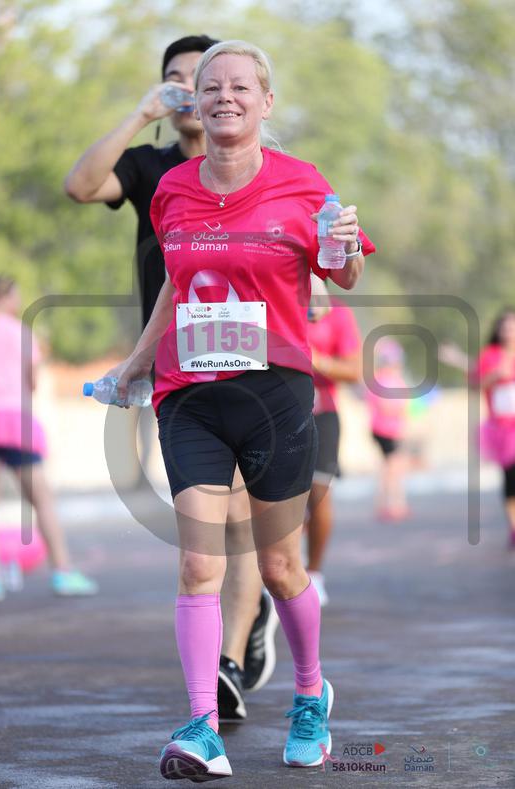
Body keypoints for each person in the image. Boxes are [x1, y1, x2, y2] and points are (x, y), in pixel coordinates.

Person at [109, 40, 375, 781]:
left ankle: (310, 695)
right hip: (189, 395)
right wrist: (137, 362)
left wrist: (346, 248)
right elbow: (175, 282)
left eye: (239, 86)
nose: (224, 96)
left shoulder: (303, 183)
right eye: (210, 86)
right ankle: (201, 726)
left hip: (274, 393)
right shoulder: (172, 190)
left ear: (265, 101)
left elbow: (343, 275)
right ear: (195, 101)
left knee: (281, 565)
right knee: (199, 560)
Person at [64, 34, 278, 721]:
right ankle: (236, 629)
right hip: (173, 363)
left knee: (237, 514)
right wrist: (140, 115)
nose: (193, 89)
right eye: (178, 79)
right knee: (202, 522)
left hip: (247, 356)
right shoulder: (152, 168)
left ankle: (228, 660)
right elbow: (80, 186)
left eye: (203, 77)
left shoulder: (251, 164)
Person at [0, 277, 98, 601]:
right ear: (2, 296)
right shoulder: (21, 332)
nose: (18, 300)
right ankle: (62, 572)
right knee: (43, 501)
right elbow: (33, 382)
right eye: (15, 294)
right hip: (15, 421)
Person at [443, 309, 515, 548]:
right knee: (511, 478)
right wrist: (495, 377)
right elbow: (476, 383)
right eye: (505, 326)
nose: (509, 331)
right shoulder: (490, 356)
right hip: (503, 428)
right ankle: (513, 526)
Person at [307, 296, 362, 605]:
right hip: (272, 412)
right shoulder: (267, 296)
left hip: (321, 413)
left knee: (318, 494)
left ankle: (314, 573)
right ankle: (273, 570)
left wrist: (316, 360)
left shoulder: (337, 311)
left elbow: (354, 371)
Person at [365, 338, 410, 521]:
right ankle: (394, 504)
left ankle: (389, 504)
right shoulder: (380, 380)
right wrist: (397, 409)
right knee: (392, 468)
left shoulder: (395, 379)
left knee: (391, 468)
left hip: (393, 430)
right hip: (384, 430)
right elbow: (384, 405)